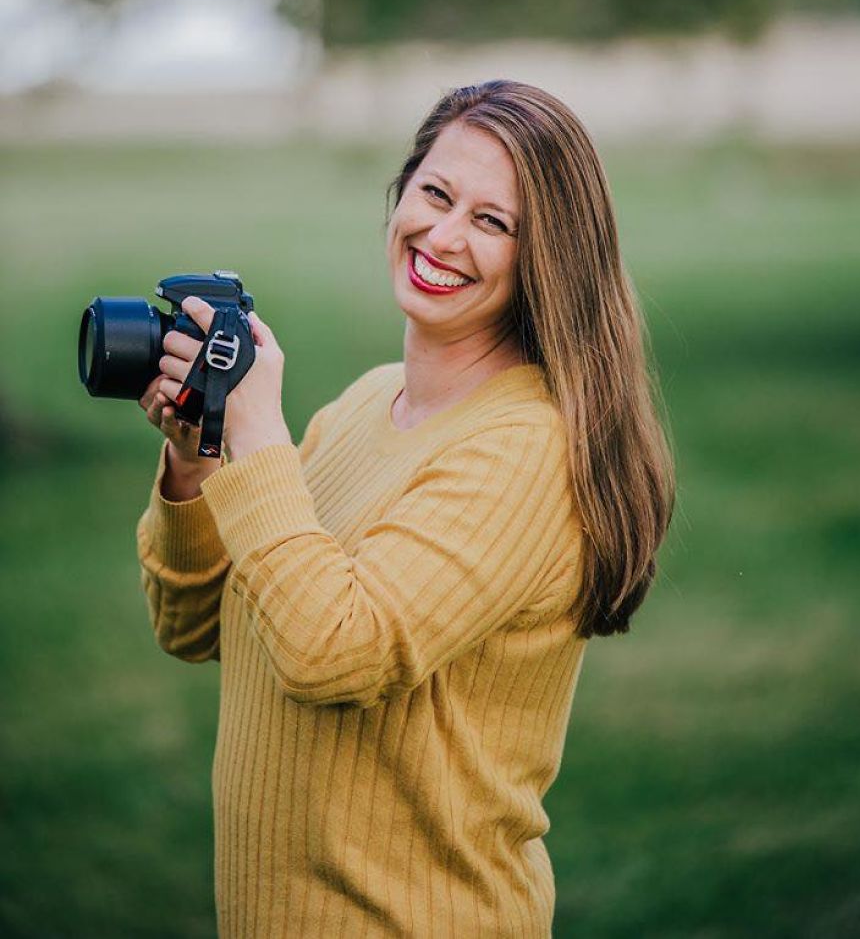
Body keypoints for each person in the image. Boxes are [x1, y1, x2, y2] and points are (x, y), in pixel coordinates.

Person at [136, 79, 675, 938]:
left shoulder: (523, 452)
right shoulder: (364, 405)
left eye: (492, 222)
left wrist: (259, 427)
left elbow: (331, 654)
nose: (444, 236)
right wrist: (199, 456)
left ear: (547, 261)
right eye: (436, 193)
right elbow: (193, 625)